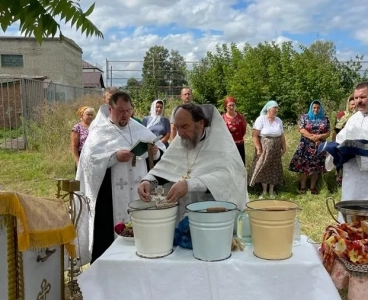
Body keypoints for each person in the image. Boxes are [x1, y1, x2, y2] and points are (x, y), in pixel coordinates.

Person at [75, 91, 166, 265]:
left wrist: (155, 152)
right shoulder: (100, 129)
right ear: (110, 108)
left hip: (138, 192)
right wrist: (114, 157)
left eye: (128, 110)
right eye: (120, 110)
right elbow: (88, 161)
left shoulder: (138, 127)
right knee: (106, 237)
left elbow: (161, 150)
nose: (125, 115)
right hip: (108, 196)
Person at [138, 103, 248, 222]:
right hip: (181, 214)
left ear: (200, 123)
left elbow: (227, 177)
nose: (180, 133)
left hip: (211, 215)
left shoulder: (220, 144)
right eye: (177, 127)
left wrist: (189, 184)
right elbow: (166, 168)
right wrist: (149, 181)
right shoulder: (181, 141)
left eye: (185, 126)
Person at [289, 100, 331, 194]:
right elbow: (301, 129)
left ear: (320, 108)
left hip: (319, 146)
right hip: (306, 146)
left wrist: (319, 137)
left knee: (316, 168)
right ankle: (302, 187)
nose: (316, 109)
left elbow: (328, 132)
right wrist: (313, 138)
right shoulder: (305, 117)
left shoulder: (325, 119)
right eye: (314, 108)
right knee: (304, 167)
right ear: (311, 108)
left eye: (318, 108)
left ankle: (313, 188)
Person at [248, 101, 286, 199]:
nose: (276, 110)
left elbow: (282, 135)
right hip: (264, 148)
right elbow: (255, 135)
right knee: (263, 167)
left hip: (276, 148)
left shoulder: (278, 120)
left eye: (277, 108)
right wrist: (258, 148)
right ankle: (264, 191)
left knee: (274, 168)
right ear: (269, 109)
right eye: (275, 108)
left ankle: (272, 191)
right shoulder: (261, 119)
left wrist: (284, 147)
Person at [332, 95, 356, 185]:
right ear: (348, 105)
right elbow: (335, 130)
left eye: (355, 104)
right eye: (352, 104)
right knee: (341, 163)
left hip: (355, 144)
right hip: (341, 142)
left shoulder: (362, 116)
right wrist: (334, 143)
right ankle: (340, 183)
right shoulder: (341, 115)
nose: (354, 106)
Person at [221, 96, 247, 164]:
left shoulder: (241, 117)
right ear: (226, 106)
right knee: (229, 164)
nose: (232, 107)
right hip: (228, 145)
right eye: (229, 105)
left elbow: (243, 130)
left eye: (233, 105)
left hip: (239, 144)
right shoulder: (222, 118)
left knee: (240, 163)